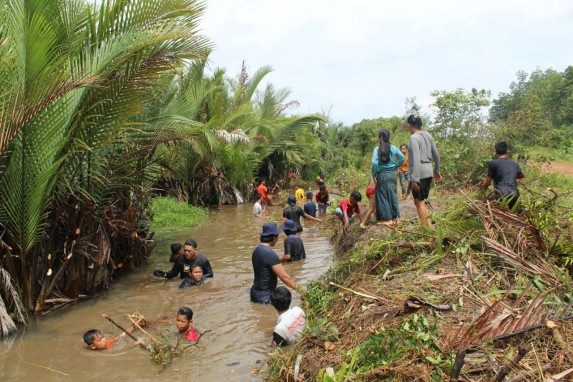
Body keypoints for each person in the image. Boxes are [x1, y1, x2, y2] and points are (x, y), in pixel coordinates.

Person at [407, 114, 442, 227]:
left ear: (410, 125)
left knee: (419, 202)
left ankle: (426, 229)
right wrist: (437, 170)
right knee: (420, 201)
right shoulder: (428, 135)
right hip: (428, 171)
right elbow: (436, 155)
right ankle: (429, 225)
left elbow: (416, 159)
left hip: (419, 173)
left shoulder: (414, 138)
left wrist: (414, 179)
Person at [250, 223, 298, 304]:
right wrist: (302, 291)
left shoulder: (256, 250)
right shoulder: (270, 254)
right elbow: (285, 278)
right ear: (274, 237)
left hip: (254, 293)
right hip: (265, 298)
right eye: (277, 237)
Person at [372, 129, 405, 227]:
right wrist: (395, 166)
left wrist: (374, 175)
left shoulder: (377, 149)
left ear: (379, 137)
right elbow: (402, 157)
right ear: (388, 137)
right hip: (392, 174)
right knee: (392, 194)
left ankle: (388, 219)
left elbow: (374, 163)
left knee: (383, 196)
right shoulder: (393, 148)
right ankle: (395, 218)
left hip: (382, 174)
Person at [481, 141, 525, 209]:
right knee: (511, 215)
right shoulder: (514, 163)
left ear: (496, 151)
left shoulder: (493, 163)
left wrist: (483, 187)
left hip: (500, 195)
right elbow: (522, 175)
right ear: (508, 151)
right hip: (515, 194)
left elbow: (488, 182)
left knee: (494, 211)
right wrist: (511, 176)